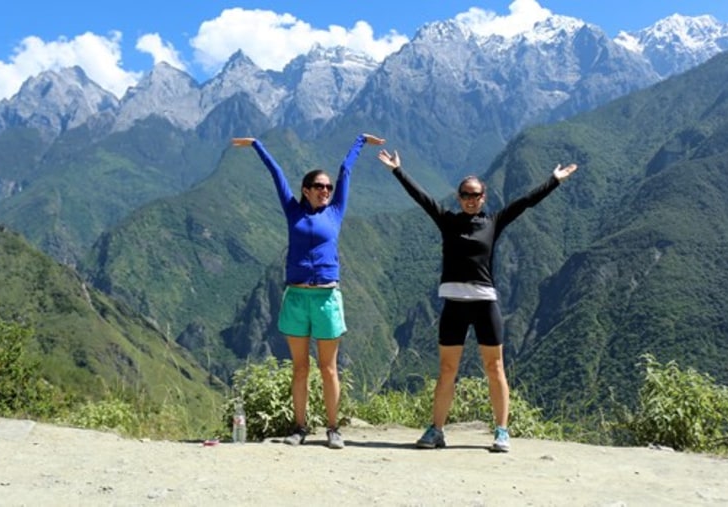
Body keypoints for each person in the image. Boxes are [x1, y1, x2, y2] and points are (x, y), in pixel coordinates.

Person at [376, 148, 578, 452]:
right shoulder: (447, 221)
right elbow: (422, 198)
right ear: (459, 198)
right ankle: (436, 430)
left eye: (476, 194)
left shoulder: (493, 222)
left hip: (485, 303)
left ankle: (501, 431)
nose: (471, 199)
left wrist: (554, 180)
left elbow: (525, 203)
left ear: (484, 197)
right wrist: (397, 171)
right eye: (465, 194)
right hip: (454, 304)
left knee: (495, 368)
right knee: (447, 370)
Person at [232, 133, 386, 449]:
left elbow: (346, 171)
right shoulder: (293, 211)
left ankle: (333, 428)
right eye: (319, 187)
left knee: (329, 369)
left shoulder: (336, 211)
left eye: (328, 188)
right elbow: (277, 174)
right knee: (300, 369)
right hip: (298, 297)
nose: (326, 191)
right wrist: (258, 146)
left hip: (327, 297)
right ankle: (299, 428)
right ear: (306, 190)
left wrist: (359, 142)